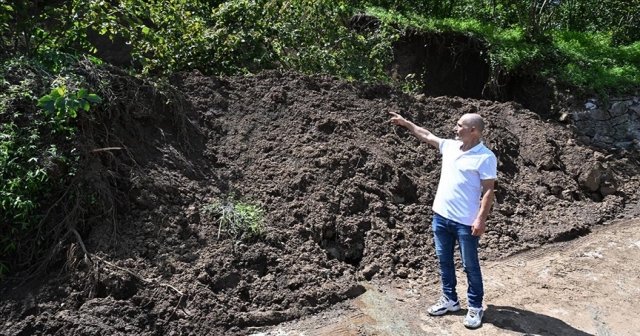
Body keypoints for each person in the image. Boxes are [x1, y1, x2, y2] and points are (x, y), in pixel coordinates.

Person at [389, 111, 497, 329]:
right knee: (444, 261)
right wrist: (407, 123)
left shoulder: (485, 157)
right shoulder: (449, 146)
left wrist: (481, 219)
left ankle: (475, 306)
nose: (455, 128)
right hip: (440, 217)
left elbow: (488, 191)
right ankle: (450, 300)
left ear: (473, 130)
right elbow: (427, 135)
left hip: (466, 223)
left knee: (470, 266)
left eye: (459, 125)